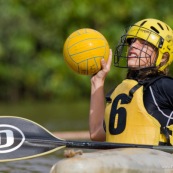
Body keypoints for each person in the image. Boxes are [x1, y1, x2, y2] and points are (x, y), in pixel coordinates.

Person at [89, 18, 173, 145]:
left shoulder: (163, 86)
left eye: (143, 42)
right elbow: (97, 133)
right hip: (123, 161)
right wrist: (97, 80)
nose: (133, 45)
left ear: (163, 58)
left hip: (157, 161)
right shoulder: (120, 92)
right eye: (132, 41)